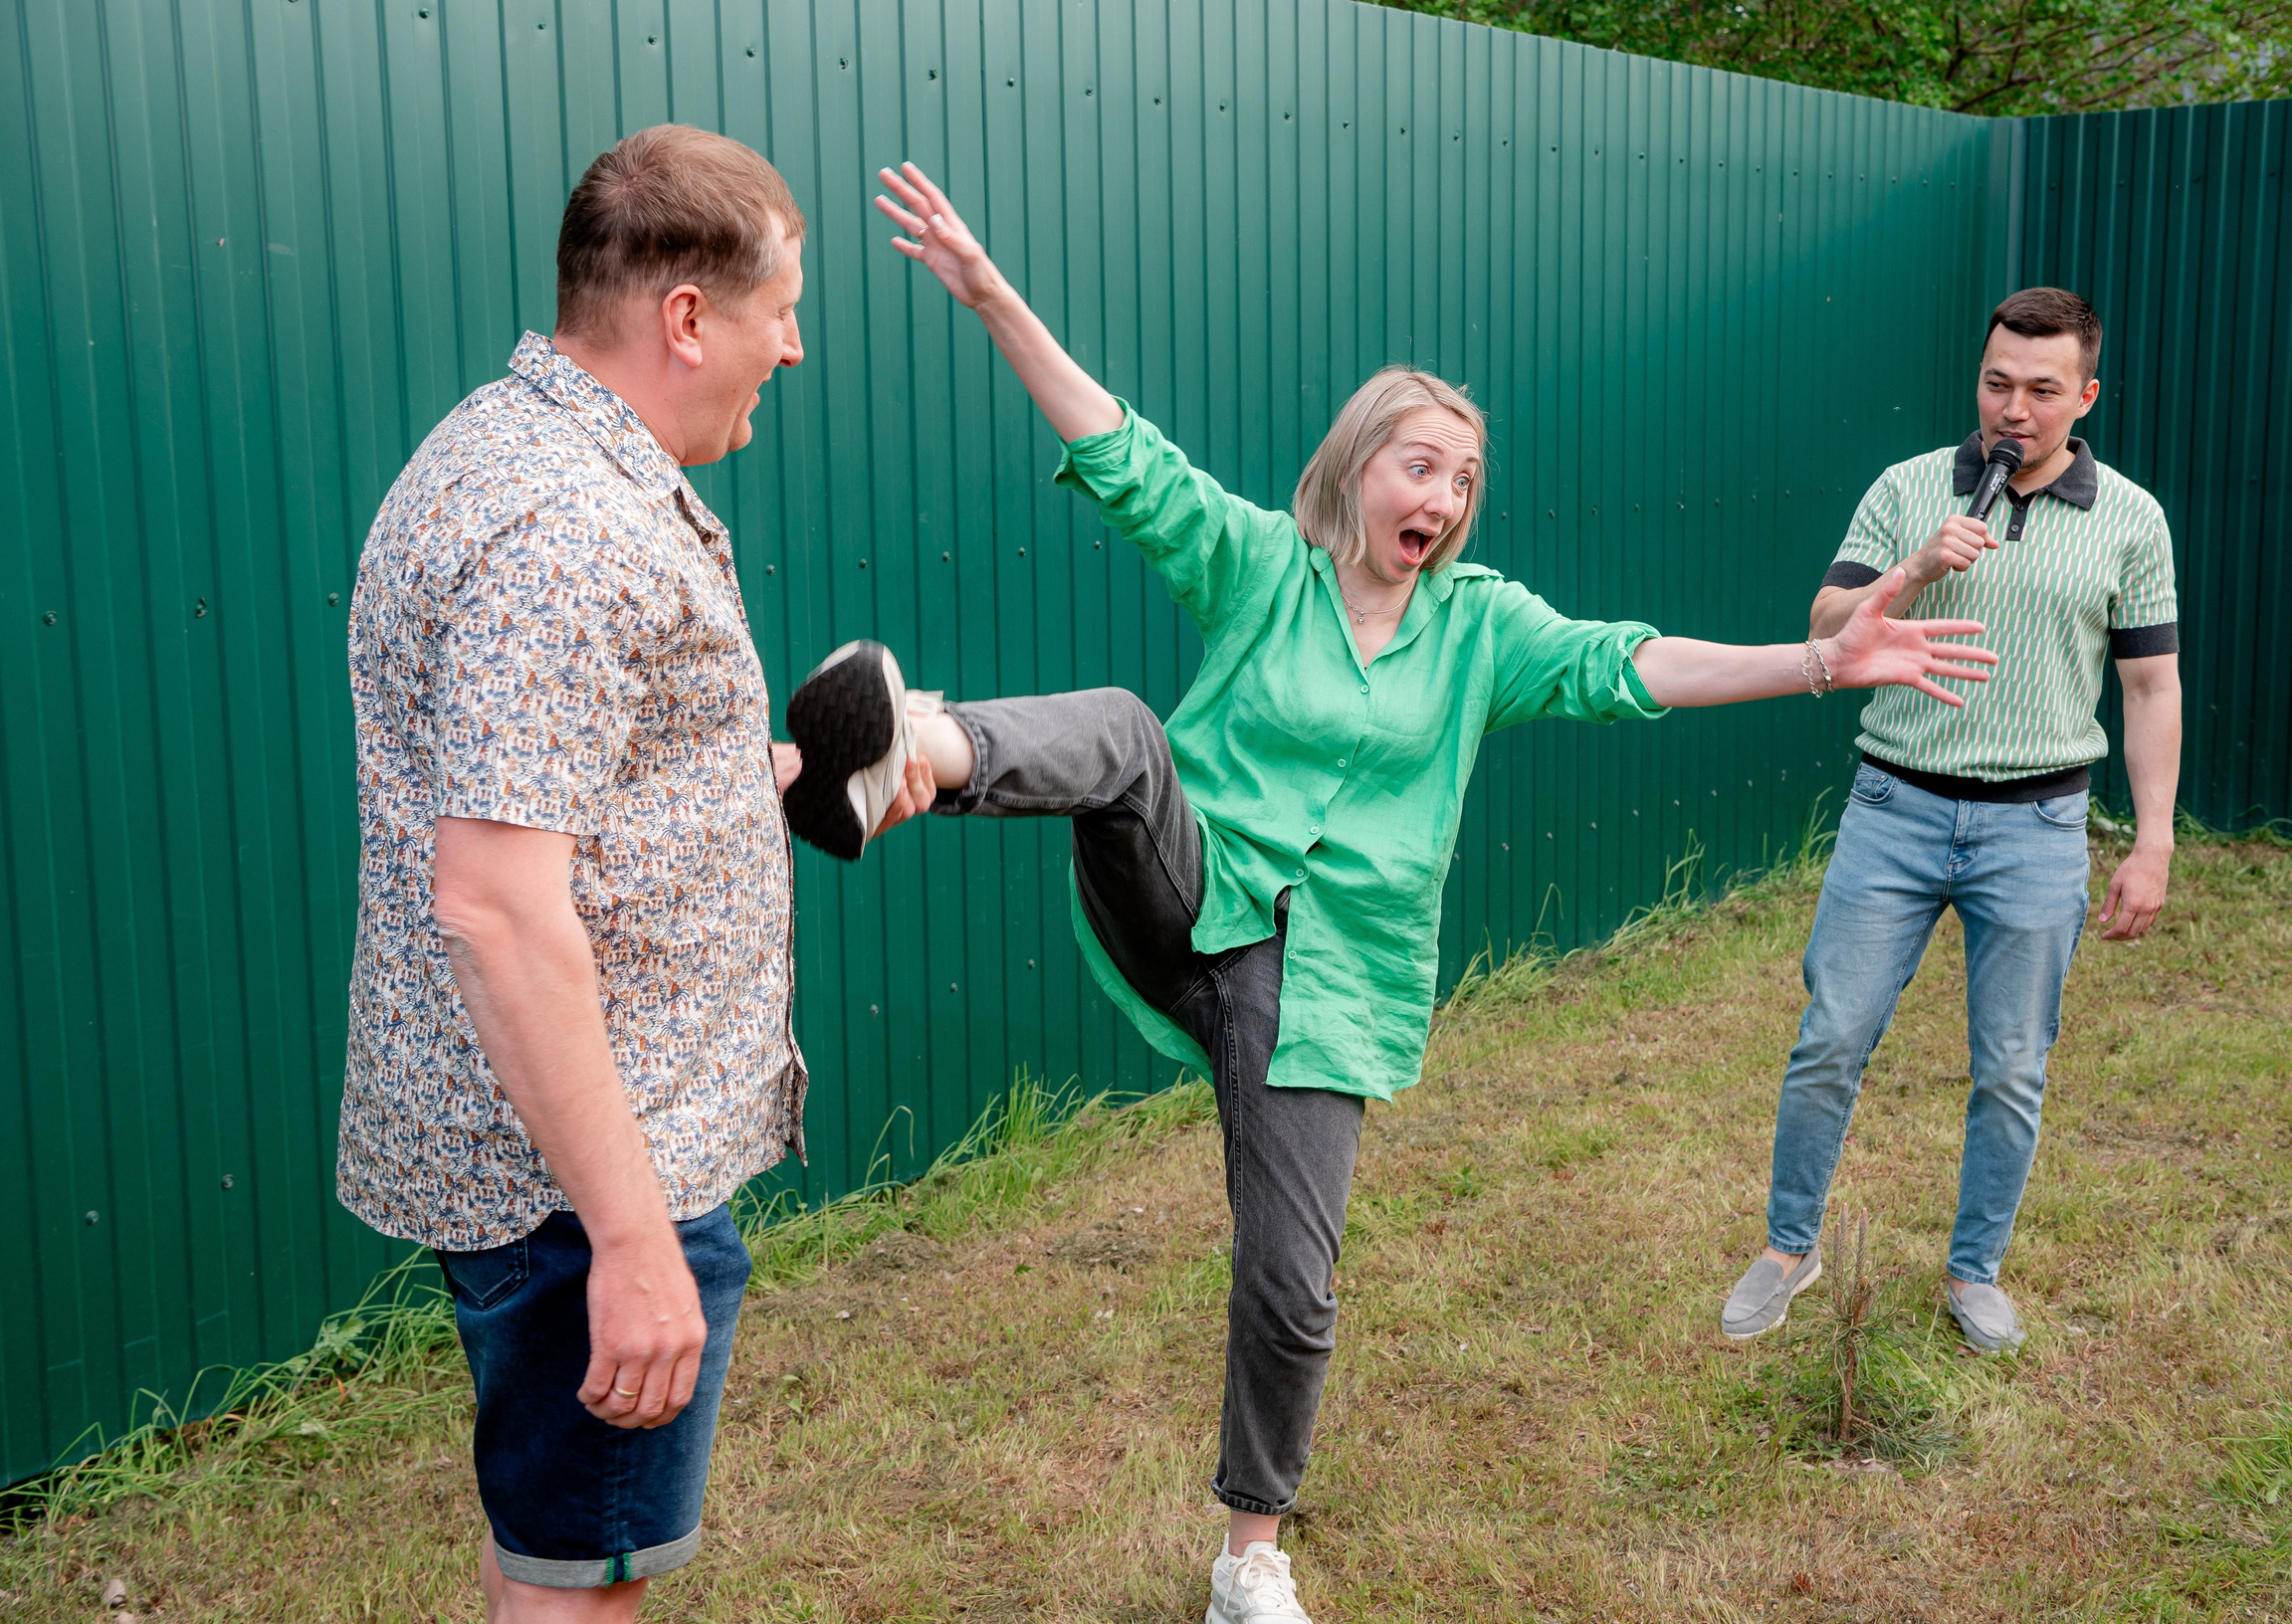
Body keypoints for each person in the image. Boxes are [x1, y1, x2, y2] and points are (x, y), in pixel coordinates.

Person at [779, 162, 1998, 1624]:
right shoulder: (1262, 568)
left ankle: (1249, 1557)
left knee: (1293, 1282)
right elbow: (1120, 450)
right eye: (1422, 463)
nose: (1444, 496)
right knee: (1122, 730)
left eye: (1464, 479)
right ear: (1358, 464)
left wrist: (1816, 662)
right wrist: (990, 296)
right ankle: (909, 756)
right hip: (1184, 892)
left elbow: (1631, 663)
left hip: (1324, 985)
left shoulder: (1480, 630)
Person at [338, 125, 929, 1623]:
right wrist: (630, 1240)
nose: (792, 348)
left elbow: (555, 790)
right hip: (583, 1178)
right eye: (780, 311)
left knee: (552, 1542)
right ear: (685, 316)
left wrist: (773, 778)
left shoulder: (514, 447)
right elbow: (494, 904)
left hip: (565, 1162)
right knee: (582, 1585)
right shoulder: (565, 528)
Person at [1718, 287, 2182, 1357]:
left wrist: (2153, 840)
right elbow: (1823, 629)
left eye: (2041, 390)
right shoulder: (1906, 489)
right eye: (1995, 382)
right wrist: (1917, 565)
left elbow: (2150, 685)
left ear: (2086, 396)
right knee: (1831, 1036)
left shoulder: (2132, 518)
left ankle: (1974, 1271)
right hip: (1896, 805)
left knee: (2012, 1064)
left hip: (2037, 824)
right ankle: (1789, 1247)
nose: (2012, 409)